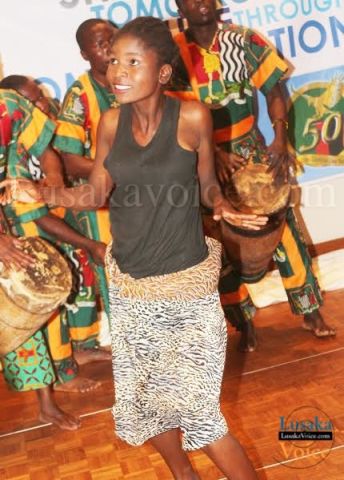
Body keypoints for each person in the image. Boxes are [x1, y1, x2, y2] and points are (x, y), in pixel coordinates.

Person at [0, 17, 265, 479]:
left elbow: (206, 187)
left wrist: (225, 207)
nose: (117, 70)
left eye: (132, 62)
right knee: (147, 403)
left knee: (202, 416)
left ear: (162, 72)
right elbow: (94, 192)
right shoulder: (109, 122)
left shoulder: (192, 117)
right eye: (114, 60)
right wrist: (41, 193)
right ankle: (184, 475)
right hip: (132, 291)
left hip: (187, 291)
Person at [169, 0, 336, 351]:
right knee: (216, 240)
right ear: (178, 6)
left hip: (251, 150)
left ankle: (310, 309)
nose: (198, 2)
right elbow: (169, 112)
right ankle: (242, 320)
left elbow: (274, 91)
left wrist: (278, 137)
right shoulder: (171, 53)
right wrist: (212, 152)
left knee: (283, 228)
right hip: (199, 161)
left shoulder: (245, 40)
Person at [0, 75, 111, 369]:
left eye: (40, 97)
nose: (42, 104)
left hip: (51, 222)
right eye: (33, 100)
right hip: (26, 233)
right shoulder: (13, 157)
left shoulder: (33, 126)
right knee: (44, 289)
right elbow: (37, 216)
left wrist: (55, 184)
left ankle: (81, 348)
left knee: (80, 268)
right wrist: (90, 243)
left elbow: (51, 160)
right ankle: (60, 369)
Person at [0, 88, 81, 430]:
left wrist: (55, 182)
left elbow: (45, 150)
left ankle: (46, 404)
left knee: (20, 305)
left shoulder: (9, 106)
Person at [53, 19, 118, 346]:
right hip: (98, 205)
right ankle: (133, 352)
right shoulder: (80, 94)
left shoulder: (133, 81)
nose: (109, 47)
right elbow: (69, 159)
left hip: (141, 196)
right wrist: (115, 171)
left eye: (112, 39)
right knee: (113, 272)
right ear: (84, 53)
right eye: (99, 43)